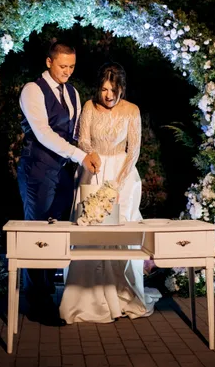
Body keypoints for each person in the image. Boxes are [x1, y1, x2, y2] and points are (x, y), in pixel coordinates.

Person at [59, 61, 162, 323]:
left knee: (122, 236)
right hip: (93, 169)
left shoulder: (132, 111)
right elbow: (82, 140)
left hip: (122, 176)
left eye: (113, 90)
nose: (108, 95)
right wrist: (93, 162)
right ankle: (87, 297)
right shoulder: (89, 107)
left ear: (122, 88)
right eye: (104, 89)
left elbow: (134, 150)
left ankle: (123, 293)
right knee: (89, 233)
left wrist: (116, 183)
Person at [17, 41, 101, 326]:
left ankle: (48, 294)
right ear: (49, 62)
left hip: (62, 172)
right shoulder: (32, 90)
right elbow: (43, 133)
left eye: (72, 67)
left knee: (57, 232)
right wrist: (80, 156)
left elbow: (75, 133)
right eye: (63, 66)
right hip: (37, 169)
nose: (67, 71)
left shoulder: (73, 93)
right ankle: (36, 301)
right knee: (37, 233)